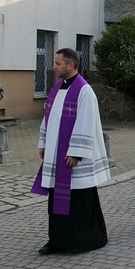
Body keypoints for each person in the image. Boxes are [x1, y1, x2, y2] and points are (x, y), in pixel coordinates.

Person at [31, 48, 110, 256]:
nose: (54, 66)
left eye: (58, 63)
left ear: (71, 65)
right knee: (56, 198)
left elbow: (86, 123)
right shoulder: (57, 88)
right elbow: (48, 117)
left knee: (79, 200)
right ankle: (57, 240)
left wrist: (76, 152)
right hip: (57, 156)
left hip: (74, 159)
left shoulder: (84, 90)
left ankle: (84, 239)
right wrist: (44, 143)